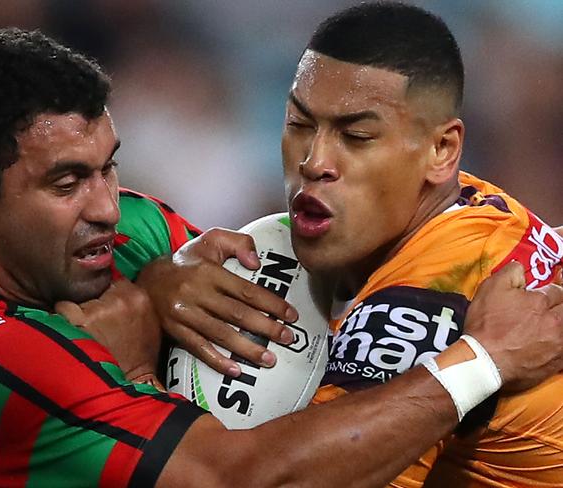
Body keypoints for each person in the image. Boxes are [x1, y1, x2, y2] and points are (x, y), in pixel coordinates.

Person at [0, 27, 562, 488]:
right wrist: (485, 360)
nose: (107, 207)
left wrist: (164, 276)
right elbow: (236, 476)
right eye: (66, 182)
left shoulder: (116, 233)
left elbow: (276, 298)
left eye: (108, 168)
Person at [149, 3, 563, 487]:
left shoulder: (433, 303)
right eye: (299, 124)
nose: (314, 160)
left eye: (357, 136)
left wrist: (140, 362)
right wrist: (159, 278)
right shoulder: (465, 214)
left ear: (442, 151)